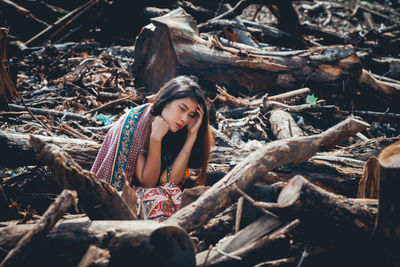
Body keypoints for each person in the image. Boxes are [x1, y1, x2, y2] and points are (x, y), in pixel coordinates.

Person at [91, 75, 213, 222]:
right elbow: (147, 182)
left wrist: (191, 136)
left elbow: (170, 181)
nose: (184, 119)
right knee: (160, 201)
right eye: (182, 109)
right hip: (120, 199)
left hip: (150, 196)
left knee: (176, 197)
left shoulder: (176, 131)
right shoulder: (133, 125)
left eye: (190, 115)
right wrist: (155, 138)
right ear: (165, 100)